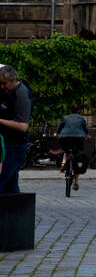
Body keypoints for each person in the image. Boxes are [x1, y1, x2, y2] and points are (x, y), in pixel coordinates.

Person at [0, 65, 34, 194]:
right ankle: (18, 212)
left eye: (4, 83)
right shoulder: (8, 92)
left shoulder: (22, 94)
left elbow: (22, 126)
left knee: (3, 181)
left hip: (15, 145)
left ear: (14, 80)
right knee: (10, 185)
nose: (2, 86)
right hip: (7, 144)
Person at [56, 105, 89, 191]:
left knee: (65, 149)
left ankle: (63, 163)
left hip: (65, 137)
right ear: (78, 111)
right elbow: (86, 128)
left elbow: (59, 127)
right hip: (79, 138)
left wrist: (56, 133)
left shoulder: (65, 118)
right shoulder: (81, 118)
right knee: (78, 157)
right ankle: (76, 183)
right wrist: (88, 135)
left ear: (70, 110)